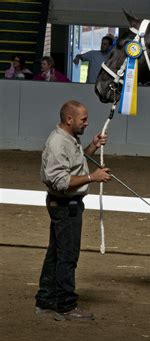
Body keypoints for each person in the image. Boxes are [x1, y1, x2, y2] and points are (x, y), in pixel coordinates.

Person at [35, 100, 111, 321]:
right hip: (65, 206)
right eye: (83, 119)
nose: (87, 123)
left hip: (66, 205)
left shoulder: (69, 139)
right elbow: (60, 181)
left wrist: (93, 146)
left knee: (56, 254)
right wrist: (92, 177)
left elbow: (75, 165)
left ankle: (46, 300)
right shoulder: (58, 143)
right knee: (67, 257)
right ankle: (66, 306)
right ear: (69, 119)